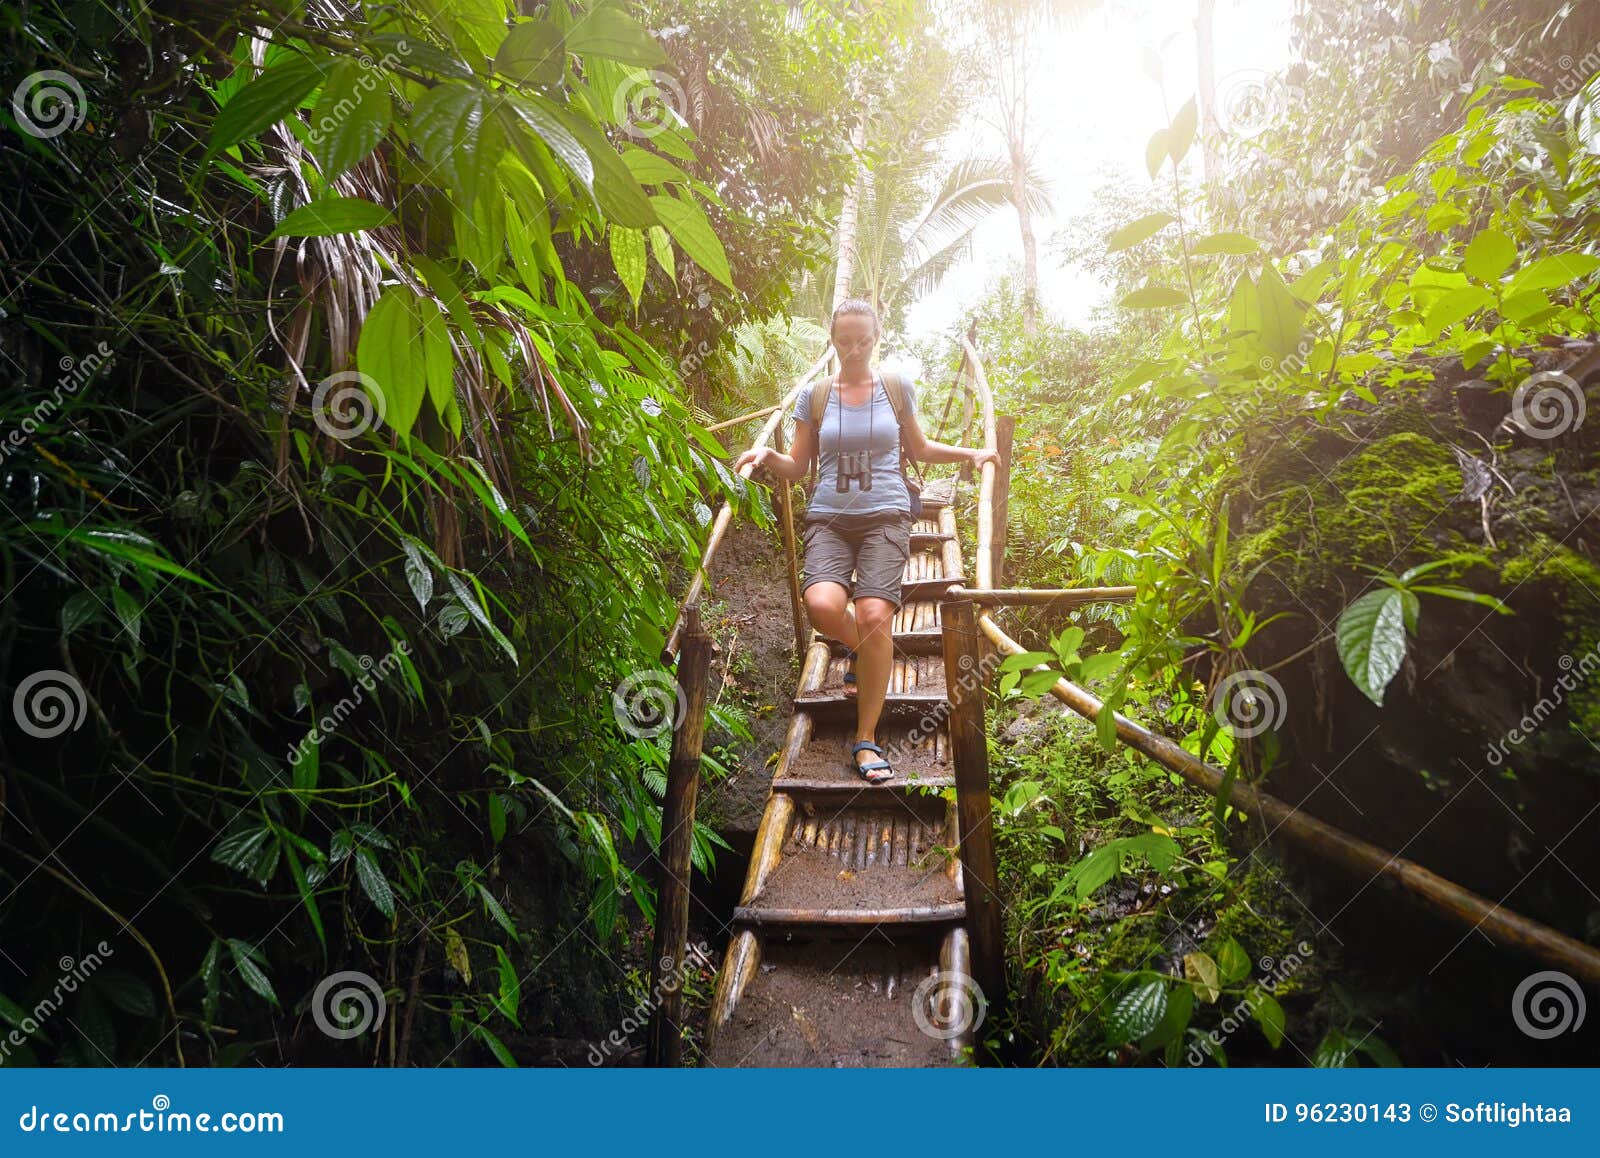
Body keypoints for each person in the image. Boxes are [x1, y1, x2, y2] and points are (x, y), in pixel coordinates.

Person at [735, 300, 999, 782]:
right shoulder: (814, 396)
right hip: (829, 518)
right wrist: (766, 453)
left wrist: (974, 452)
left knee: (877, 615)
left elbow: (919, 448)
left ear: (877, 339)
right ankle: (871, 650)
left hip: (887, 514)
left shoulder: (895, 388)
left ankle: (866, 738)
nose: (853, 349)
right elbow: (798, 467)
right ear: (831, 341)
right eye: (844, 341)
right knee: (821, 605)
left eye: (863, 341)